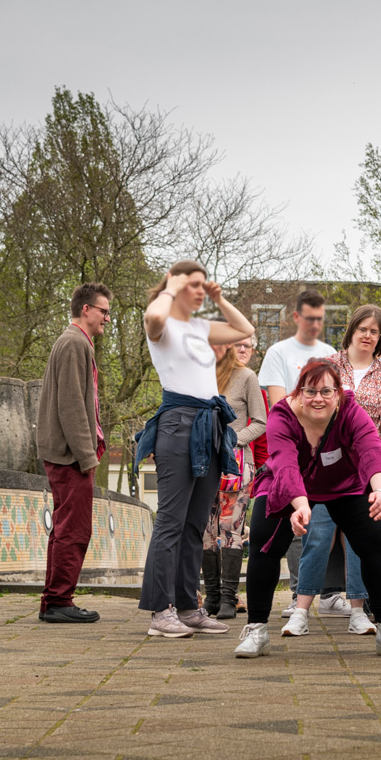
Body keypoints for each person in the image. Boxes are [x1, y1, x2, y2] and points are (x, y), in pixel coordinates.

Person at [233, 358, 381, 660]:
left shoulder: (352, 412)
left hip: (345, 485)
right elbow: (286, 464)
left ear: (339, 394)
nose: (318, 399)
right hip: (288, 485)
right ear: (299, 392)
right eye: (310, 391)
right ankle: (257, 629)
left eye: (327, 392)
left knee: (377, 539)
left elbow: (372, 452)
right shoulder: (282, 414)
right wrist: (301, 507)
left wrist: (379, 491)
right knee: (264, 543)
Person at [284, 304, 381, 638]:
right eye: (363, 329)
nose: (368, 336)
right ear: (352, 331)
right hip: (325, 467)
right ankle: (300, 611)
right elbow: (299, 405)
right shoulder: (328, 365)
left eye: (375, 331)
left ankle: (358, 612)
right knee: (318, 536)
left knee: (361, 542)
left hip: (366, 471)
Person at [137, 262, 255, 638]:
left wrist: (219, 299)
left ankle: (188, 607)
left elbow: (244, 330)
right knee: (170, 521)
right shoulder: (161, 324)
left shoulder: (198, 327)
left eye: (205, 285)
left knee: (194, 525)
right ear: (175, 285)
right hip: (178, 423)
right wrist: (171, 286)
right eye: (196, 285)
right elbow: (153, 312)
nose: (201, 290)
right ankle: (160, 612)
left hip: (208, 424)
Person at [35, 282, 110, 625]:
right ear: (86, 309)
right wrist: (86, 455)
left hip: (69, 454)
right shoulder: (73, 343)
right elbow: (70, 406)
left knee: (66, 527)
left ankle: (55, 599)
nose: (107, 318)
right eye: (103, 311)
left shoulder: (78, 343)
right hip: (70, 456)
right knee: (74, 529)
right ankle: (58, 601)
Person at [258, 290, 335, 600]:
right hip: (290, 448)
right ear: (296, 317)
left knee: (325, 526)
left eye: (320, 318)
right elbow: (279, 406)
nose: (315, 324)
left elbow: (335, 401)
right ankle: (296, 594)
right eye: (309, 318)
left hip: (325, 452)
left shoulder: (330, 353)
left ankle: (327, 593)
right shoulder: (278, 352)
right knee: (293, 524)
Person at [205, 334, 264, 620]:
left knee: (230, 529)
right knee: (206, 531)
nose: (242, 349)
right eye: (236, 343)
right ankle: (212, 596)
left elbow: (261, 421)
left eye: (247, 345)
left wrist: (235, 440)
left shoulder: (247, 377)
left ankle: (229, 597)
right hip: (204, 464)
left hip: (237, 465)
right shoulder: (203, 374)